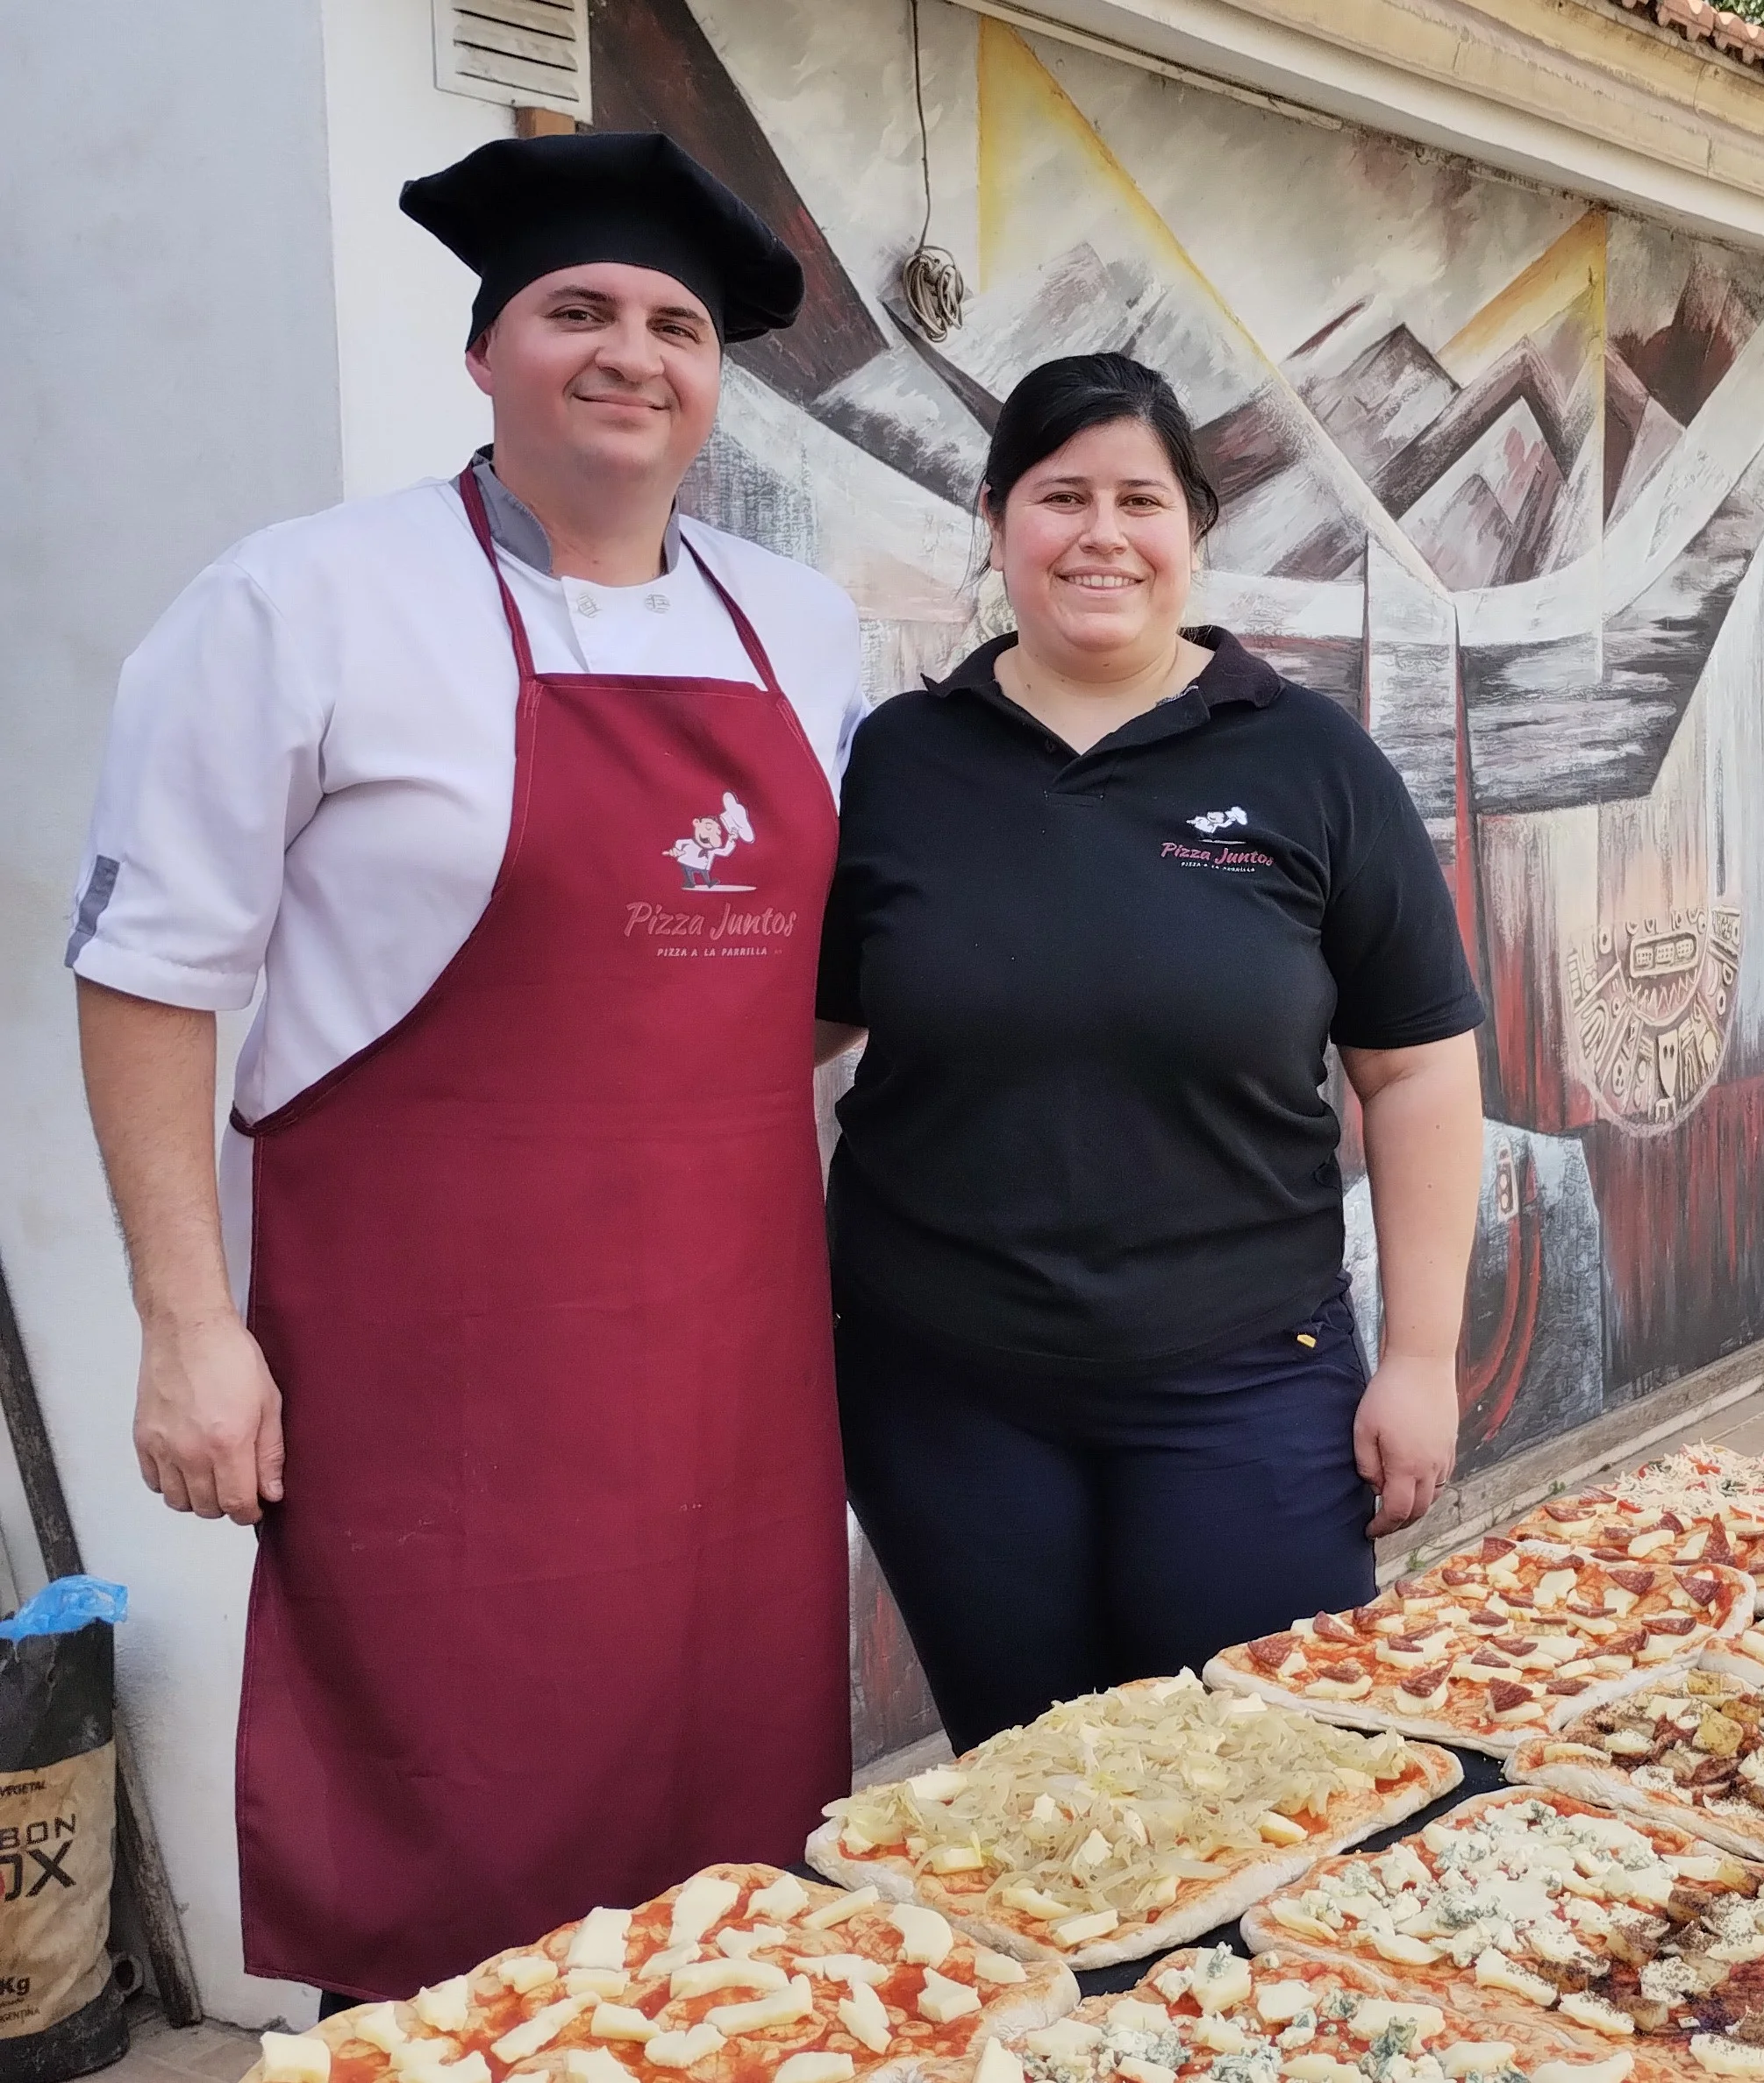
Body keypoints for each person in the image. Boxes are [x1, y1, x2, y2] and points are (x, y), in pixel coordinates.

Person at [67, 132, 869, 2002]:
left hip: (735, 1363)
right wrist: (188, 1326)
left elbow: (822, 977)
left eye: (674, 323)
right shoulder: (299, 602)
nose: (630, 353)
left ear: (713, 379)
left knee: (729, 1872)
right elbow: (147, 973)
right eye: (575, 310)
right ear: (484, 354)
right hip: (434, 1367)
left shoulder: (807, 628)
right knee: (452, 1868)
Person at [819, 353, 1487, 1747]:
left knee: (1271, 1770)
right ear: (999, 520)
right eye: (1062, 496)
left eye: (1142, 498)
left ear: (1195, 529)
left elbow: (1416, 1064)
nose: (1102, 534)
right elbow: (784, 1031)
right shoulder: (897, 763)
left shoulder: (1309, 760)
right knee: (1029, 1791)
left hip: (1244, 1380)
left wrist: (1423, 1355)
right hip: (949, 1398)